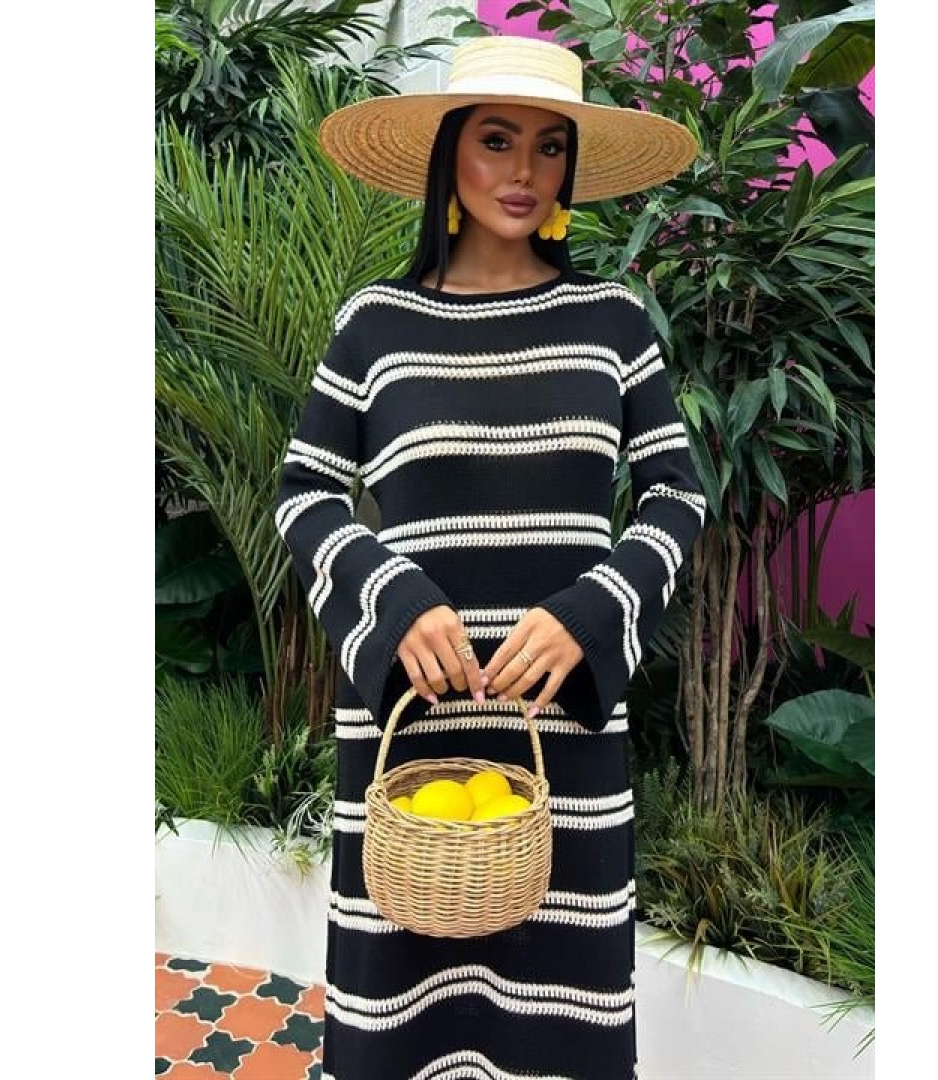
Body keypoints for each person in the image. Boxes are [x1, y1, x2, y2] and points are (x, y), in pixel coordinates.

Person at [275, 33, 706, 1080]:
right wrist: (390, 597)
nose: (524, 171)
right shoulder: (375, 325)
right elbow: (304, 491)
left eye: (550, 147)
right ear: (448, 158)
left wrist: (591, 611)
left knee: (563, 1014)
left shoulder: (612, 321)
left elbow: (677, 492)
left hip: (563, 732)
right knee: (400, 1018)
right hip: (407, 729)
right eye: (497, 141)